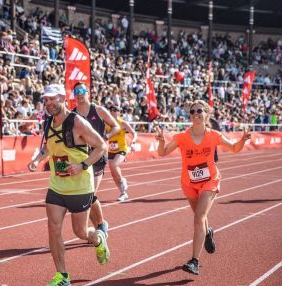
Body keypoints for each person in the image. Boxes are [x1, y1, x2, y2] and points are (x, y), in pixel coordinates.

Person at [156, 100, 251, 275]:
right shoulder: (181, 137)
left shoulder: (214, 135)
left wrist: (242, 140)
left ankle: (194, 261)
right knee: (200, 217)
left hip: (210, 181)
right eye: (192, 112)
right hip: (189, 183)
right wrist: (162, 141)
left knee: (199, 218)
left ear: (207, 114)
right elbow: (162, 152)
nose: (196, 114)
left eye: (199, 111)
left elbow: (235, 148)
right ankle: (208, 232)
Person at [28, 84, 110, 286]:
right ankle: (62, 276)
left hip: (80, 186)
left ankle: (98, 238)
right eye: (45, 100)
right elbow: (49, 148)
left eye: (52, 99)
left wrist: (82, 165)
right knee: (53, 228)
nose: (48, 103)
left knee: (80, 233)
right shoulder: (48, 122)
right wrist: (37, 159)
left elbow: (101, 146)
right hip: (57, 185)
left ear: (63, 98)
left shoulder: (77, 123)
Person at [72, 82, 120, 237]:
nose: (79, 94)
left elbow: (116, 126)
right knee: (85, 196)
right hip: (80, 158)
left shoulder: (98, 110)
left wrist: (104, 137)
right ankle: (96, 228)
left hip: (98, 157)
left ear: (88, 92)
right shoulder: (72, 115)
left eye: (82, 91)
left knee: (90, 193)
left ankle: (101, 226)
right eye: (76, 92)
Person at [107, 106, 137, 201]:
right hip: (111, 150)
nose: (113, 112)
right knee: (113, 172)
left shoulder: (123, 123)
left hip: (122, 149)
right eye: (111, 110)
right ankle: (123, 193)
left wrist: (133, 142)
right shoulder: (106, 123)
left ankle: (122, 181)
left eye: (115, 110)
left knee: (114, 164)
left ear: (119, 112)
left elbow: (134, 133)